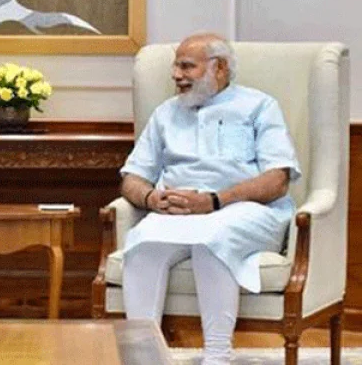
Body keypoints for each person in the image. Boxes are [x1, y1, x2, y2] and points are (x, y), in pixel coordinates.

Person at [119, 33, 300, 364]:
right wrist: (151, 198)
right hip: (178, 213)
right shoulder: (165, 113)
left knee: (212, 240)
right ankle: (145, 358)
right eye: (175, 67)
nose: (176, 75)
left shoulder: (259, 106)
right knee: (142, 243)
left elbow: (278, 179)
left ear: (220, 68)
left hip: (246, 210)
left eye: (187, 66)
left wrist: (216, 201)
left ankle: (217, 356)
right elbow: (132, 177)